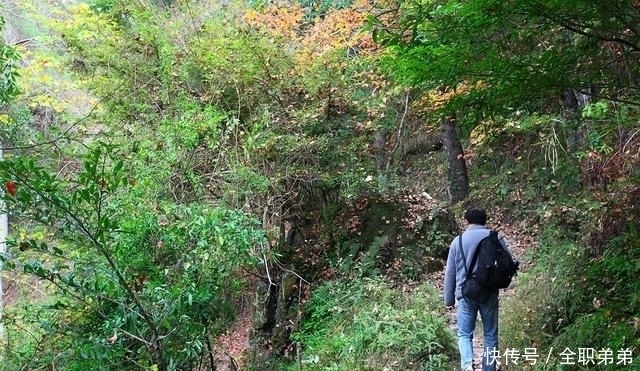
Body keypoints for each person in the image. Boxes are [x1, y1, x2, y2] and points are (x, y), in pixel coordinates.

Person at [443, 208, 511, 371]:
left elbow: (450, 273)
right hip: (489, 292)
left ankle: (467, 366)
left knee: (465, 334)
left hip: (466, 294)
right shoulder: (495, 238)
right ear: (484, 220)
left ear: (467, 221)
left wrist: (449, 299)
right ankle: (489, 368)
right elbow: (507, 263)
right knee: (490, 334)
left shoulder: (457, 241)